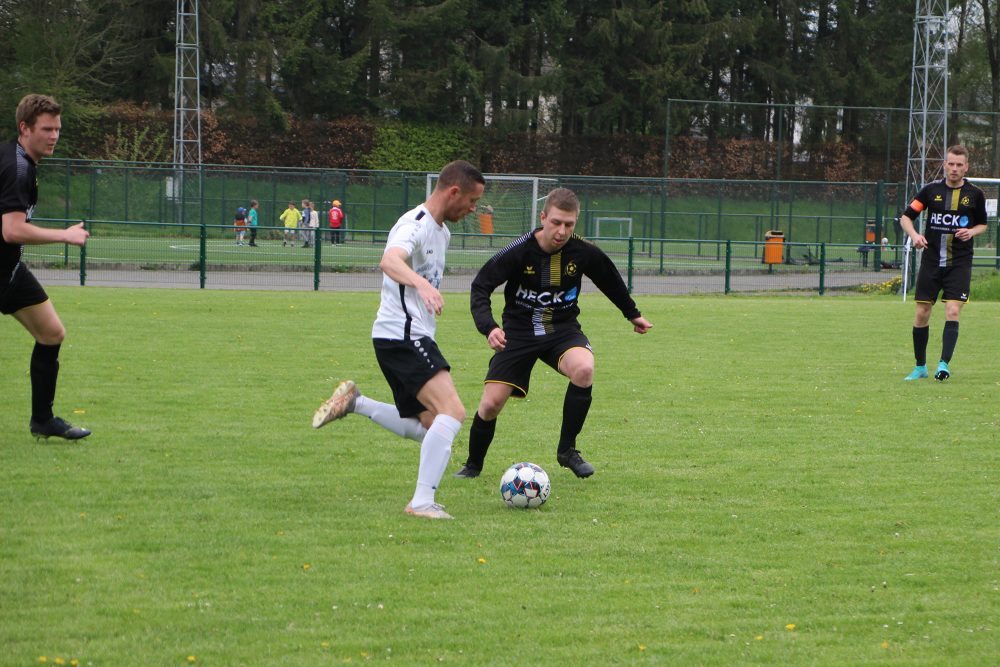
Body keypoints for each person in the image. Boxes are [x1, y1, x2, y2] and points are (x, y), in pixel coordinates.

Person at [312, 160, 485, 520]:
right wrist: (420, 284)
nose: (473, 210)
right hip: (403, 336)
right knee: (452, 413)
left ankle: (356, 403)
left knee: (430, 426)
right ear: (453, 192)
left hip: (399, 336)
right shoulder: (414, 225)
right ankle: (421, 503)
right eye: (471, 201)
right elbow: (390, 260)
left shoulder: (443, 232)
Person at [454, 187, 653, 480]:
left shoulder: (583, 252)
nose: (562, 231)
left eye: (569, 225)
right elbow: (480, 286)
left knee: (584, 369)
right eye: (556, 222)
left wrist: (632, 314)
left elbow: (610, 280)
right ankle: (473, 465)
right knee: (491, 403)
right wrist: (490, 326)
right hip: (519, 333)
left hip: (562, 330)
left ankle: (567, 450)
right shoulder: (519, 251)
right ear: (543, 217)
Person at [1, 94, 91, 440]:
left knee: (52, 333)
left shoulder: (18, 159)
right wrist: (65, 236)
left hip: (8, 272)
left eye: (57, 129)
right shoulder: (18, 167)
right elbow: (11, 230)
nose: (53, 136)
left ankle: (43, 420)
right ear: (25, 128)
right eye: (46, 129)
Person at [900, 144, 988, 382]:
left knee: (952, 310)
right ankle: (920, 367)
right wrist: (915, 236)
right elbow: (906, 217)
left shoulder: (975, 194)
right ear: (944, 165)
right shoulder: (930, 191)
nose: (955, 169)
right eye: (951, 164)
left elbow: (983, 224)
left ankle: (944, 364)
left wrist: (971, 232)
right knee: (922, 313)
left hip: (959, 263)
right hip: (931, 262)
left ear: (966, 167)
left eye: (960, 165)